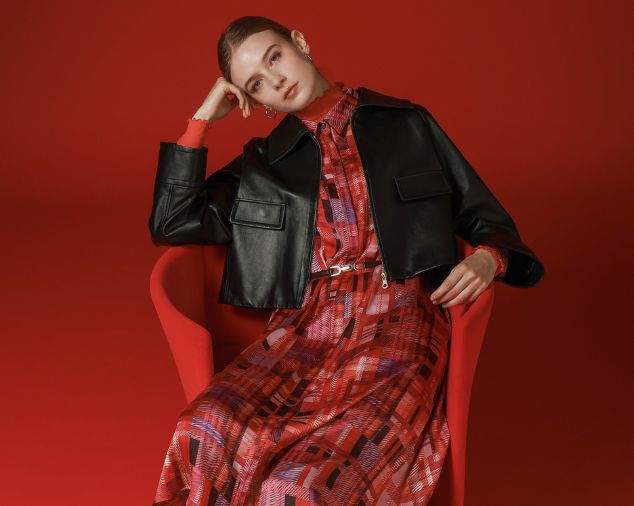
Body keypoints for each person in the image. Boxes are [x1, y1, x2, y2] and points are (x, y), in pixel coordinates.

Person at [149, 15, 543, 506]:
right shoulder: (263, 163)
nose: (276, 80)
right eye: (256, 84)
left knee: (300, 486)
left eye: (275, 57)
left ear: (299, 42)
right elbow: (172, 223)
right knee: (202, 426)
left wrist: (489, 258)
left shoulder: (404, 124)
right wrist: (202, 118)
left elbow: (486, 217)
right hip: (304, 331)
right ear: (255, 101)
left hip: (400, 322)